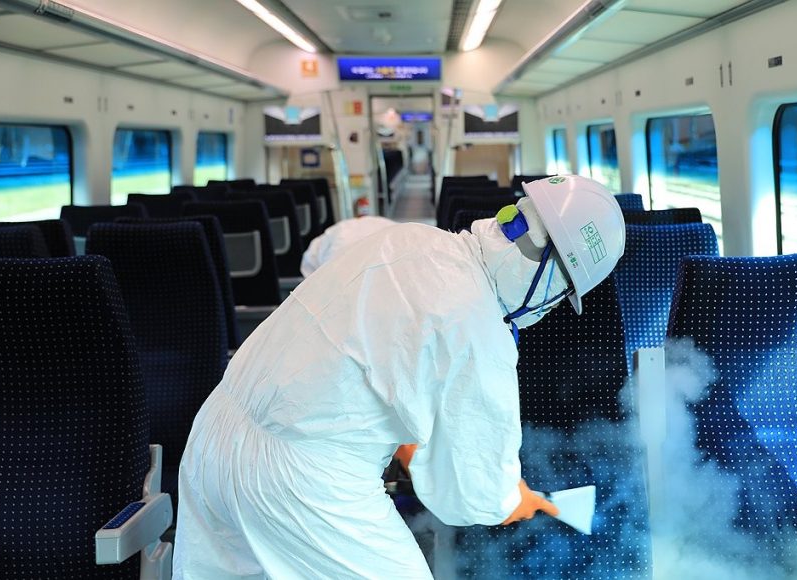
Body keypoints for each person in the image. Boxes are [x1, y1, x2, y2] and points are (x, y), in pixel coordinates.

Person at [173, 175, 626, 579]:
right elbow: (469, 492)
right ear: (549, 268)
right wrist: (509, 500)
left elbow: (370, 361)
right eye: (561, 294)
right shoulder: (478, 326)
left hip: (215, 434)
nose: (549, 308)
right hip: (301, 480)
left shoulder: (411, 239)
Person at [300, 197, 396, 277]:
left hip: (336, 285)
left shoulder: (338, 229)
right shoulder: (390, 226)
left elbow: (309, 263)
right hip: (386, 284)